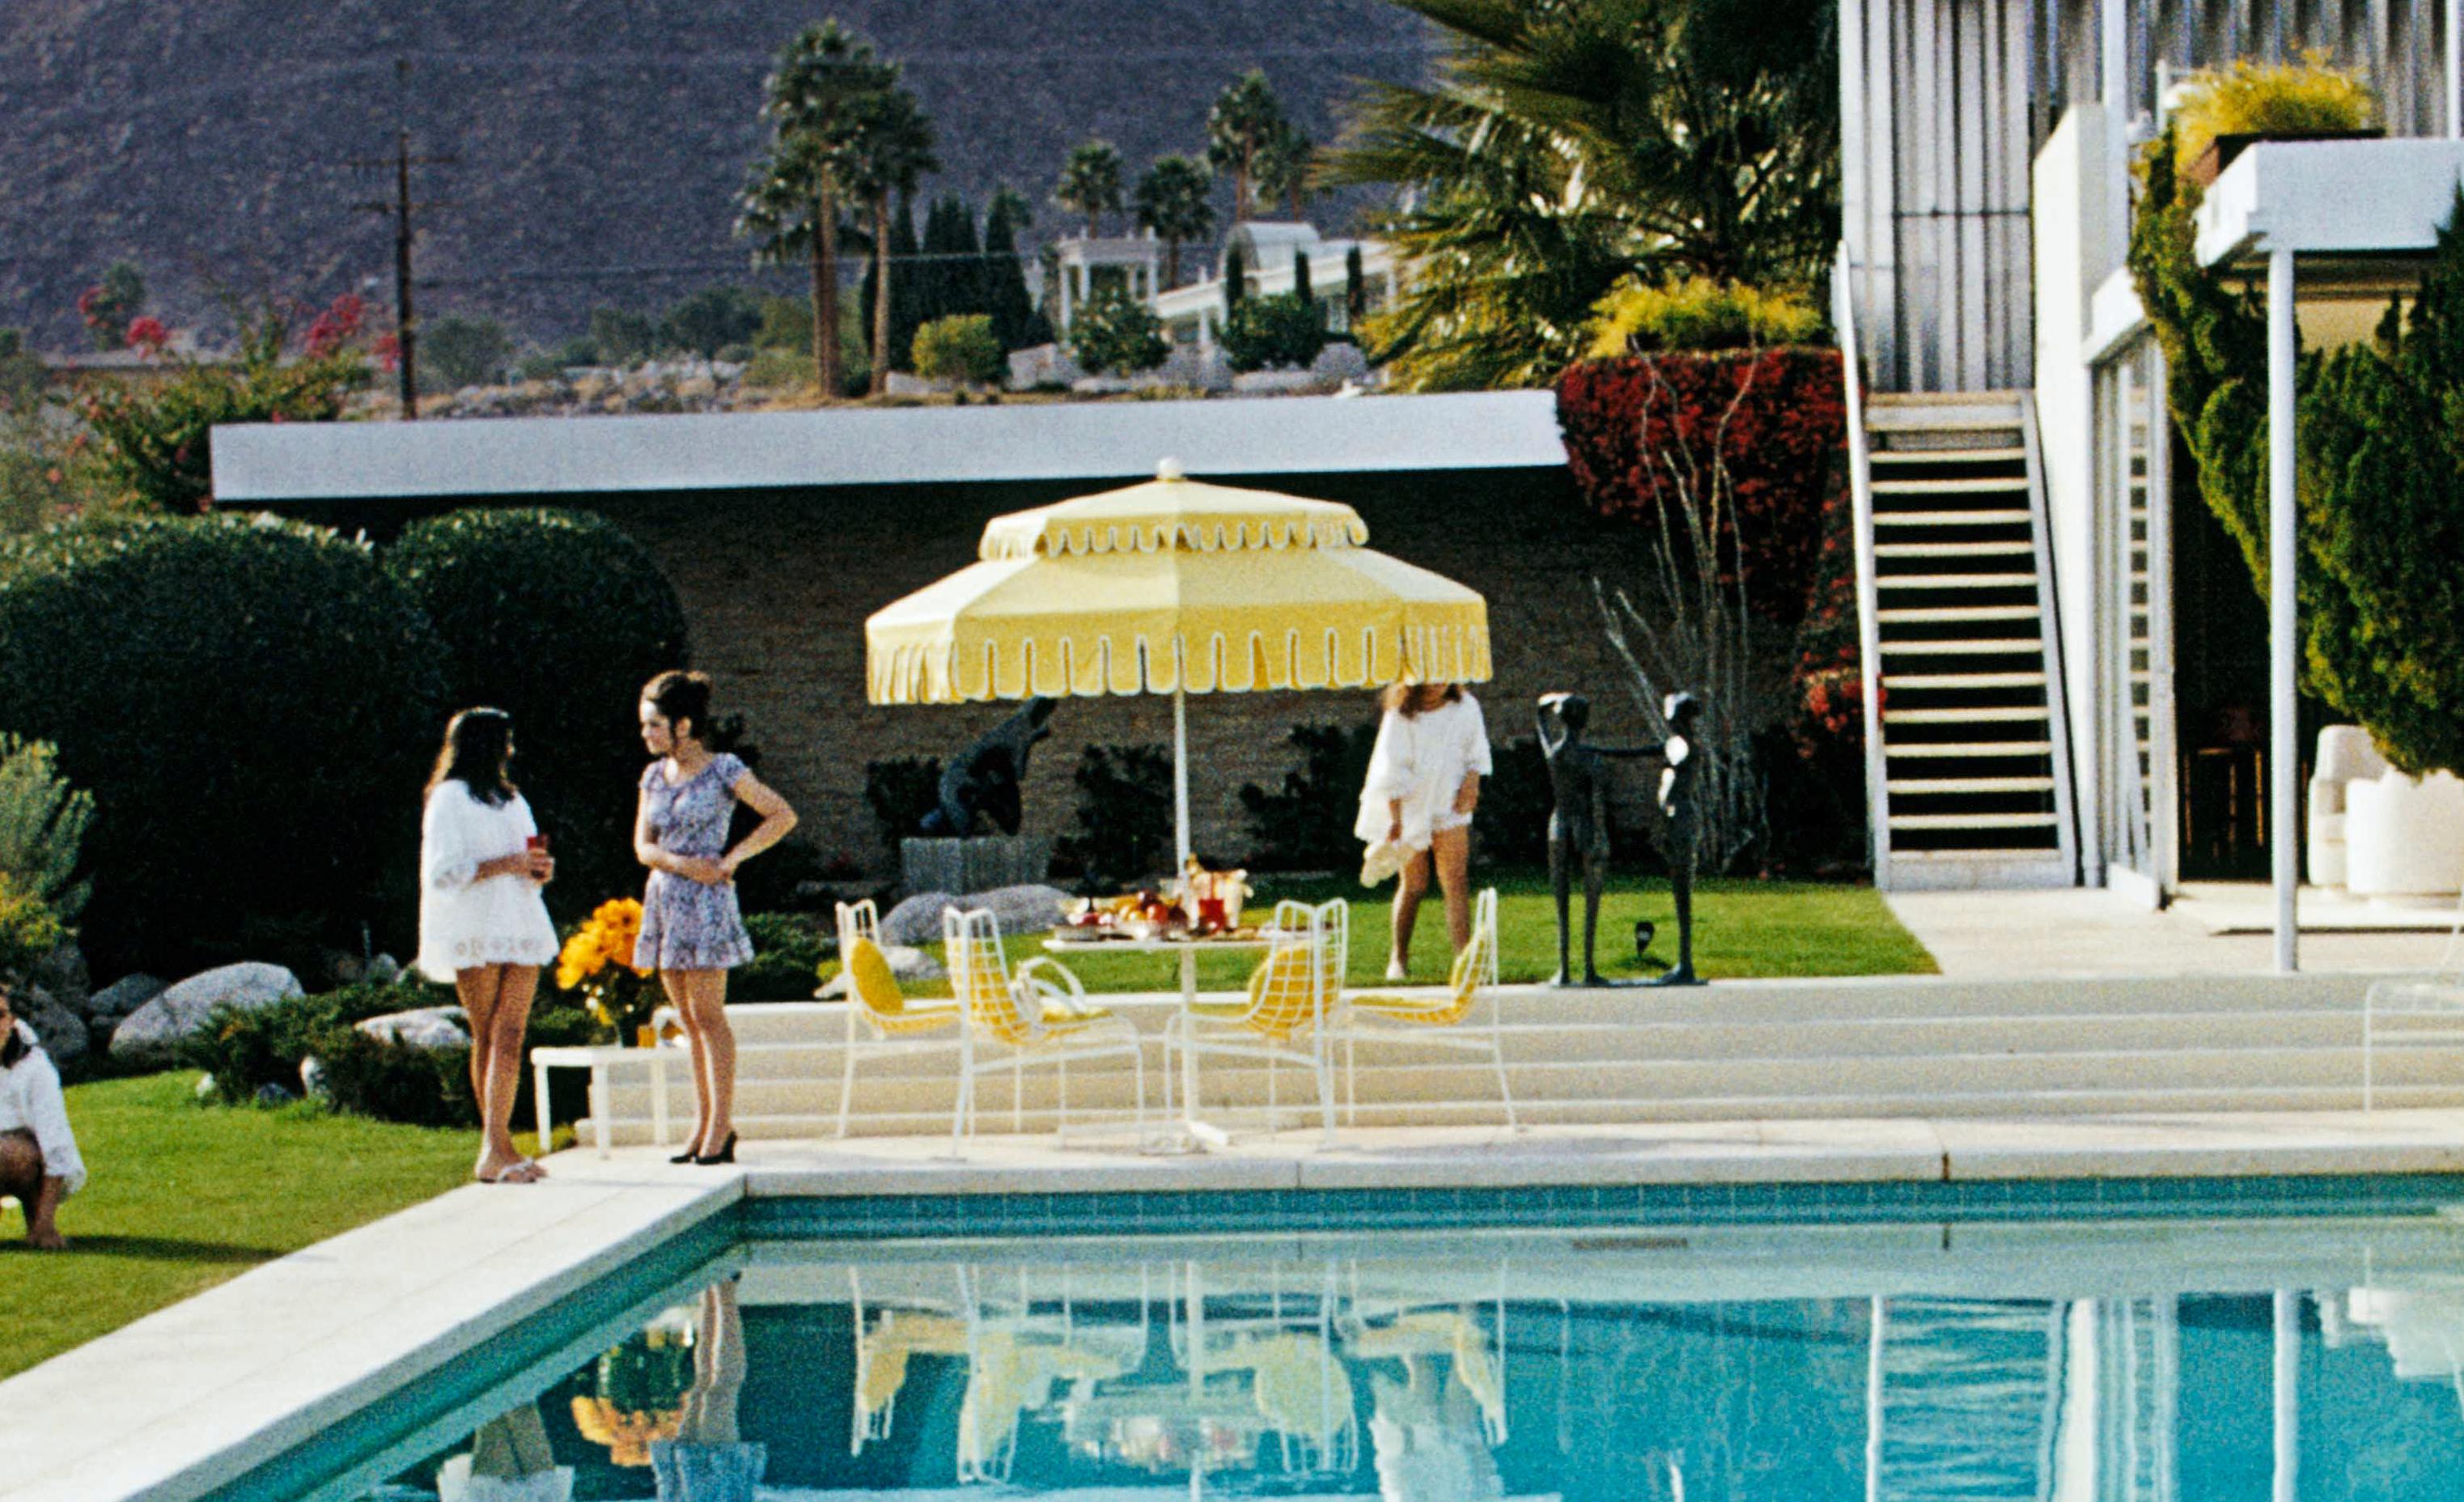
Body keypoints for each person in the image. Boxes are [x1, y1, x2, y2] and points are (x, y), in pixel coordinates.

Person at [635, 671, 797, 1166]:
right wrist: (683, 865)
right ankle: (702, 1123)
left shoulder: (724, 769)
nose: (647, 734)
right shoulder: (652, 777)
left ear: (683, 725)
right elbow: (643, 847)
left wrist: (733, 858)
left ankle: (721, 1126)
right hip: (666, 898)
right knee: (686, 1019)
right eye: (645, 725)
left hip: (707, 903)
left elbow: (781, 815)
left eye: (655, 724)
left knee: (708, 1014)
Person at [418, 707, 561, 1185]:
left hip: (519, 921)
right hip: (475, 926)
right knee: (487, 1032)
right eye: (505, 740)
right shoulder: (449, 798)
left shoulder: (513, 800)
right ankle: (492, 1147)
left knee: (512, 1032)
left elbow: (528, 857)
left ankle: (503, 1145)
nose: (510, 749)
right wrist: (508, 863)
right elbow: (443, 872)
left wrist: (538, 869)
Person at [1354, 681, 1492, 981]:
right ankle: (1399, 958)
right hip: (1411, 807)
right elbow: (1390, 767)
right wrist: (1395, 817)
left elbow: (1477, 752)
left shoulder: (1466, 706)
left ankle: (1464, 962)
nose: (1438, 682)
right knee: (1414, 884)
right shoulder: (1401, 713)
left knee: (1455, 881)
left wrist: (1472, 785)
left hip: (1450, 803)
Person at [0, 977, 83, 1249]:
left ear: (12, 1020)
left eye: (0, 1016)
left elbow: (55, 1145)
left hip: (29, 1163)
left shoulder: (36, 1068)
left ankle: (37, 1221)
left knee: (11, 1153)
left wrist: (46, 1224)